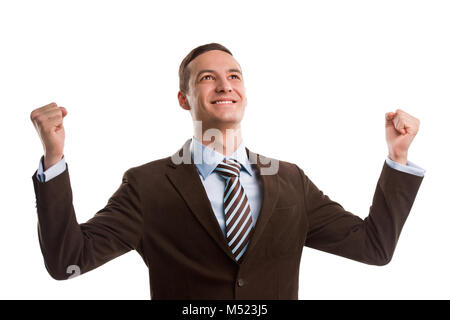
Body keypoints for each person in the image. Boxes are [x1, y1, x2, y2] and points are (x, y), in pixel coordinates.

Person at [30, 43, 424, 299]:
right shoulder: (146, 185)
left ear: (245, 93)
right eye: (208, 78)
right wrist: (53, 158)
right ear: (184, 99)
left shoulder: (290, 181)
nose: (225, 85)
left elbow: (374, 247)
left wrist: (398, 159)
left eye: (234, 76)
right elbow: (69, 258)